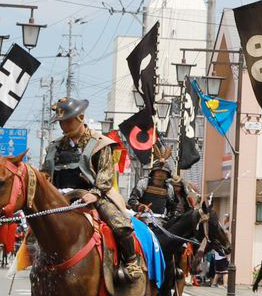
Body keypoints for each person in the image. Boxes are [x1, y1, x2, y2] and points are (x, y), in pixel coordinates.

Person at [40, 97, 142, 284]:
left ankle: (131, 261)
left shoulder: (100, 143)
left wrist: (93, 193)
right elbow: (45, 173)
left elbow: (105, 175)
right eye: (61, 123)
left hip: (93, 194)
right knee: (37, 227)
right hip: (60, 197)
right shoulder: (54, 147)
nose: (64, 127)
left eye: (68, 121)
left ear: (80, 117)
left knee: (121, 225)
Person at [127, 146, 178, 216]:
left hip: (160, 220)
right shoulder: (144, 183)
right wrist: (140, 206)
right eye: (158, 171)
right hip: (142, 216)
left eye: (164, 172)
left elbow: (171, 206)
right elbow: (131, 200)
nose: (161, 174)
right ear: (153, 172)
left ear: (167, 175)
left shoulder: (169, 187)